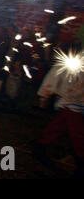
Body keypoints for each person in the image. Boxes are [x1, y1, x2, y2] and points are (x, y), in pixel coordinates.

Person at [32, 48, 83, 179]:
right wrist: (44, 95)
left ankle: (41, 146)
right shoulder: (73, 61)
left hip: (73, 101)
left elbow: (54, 76)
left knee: (63, 127)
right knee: (74, 132)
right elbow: (55, 75)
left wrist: (44, 95)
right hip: (74, 102)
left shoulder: (73, 60)